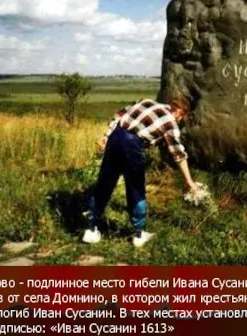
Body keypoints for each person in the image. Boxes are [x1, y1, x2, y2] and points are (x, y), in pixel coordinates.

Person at [82, 97, 198, 247]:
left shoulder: (146, 101)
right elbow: (178, 154)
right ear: (180, 112)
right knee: (136, 188)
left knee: (105, 183)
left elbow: (119, 115)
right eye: (182, 118)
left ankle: (90, 229)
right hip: (132, 144)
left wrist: (106, 136)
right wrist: (189, 181)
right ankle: (139, 234)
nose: (180, 121)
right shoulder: (171, 122)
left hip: (116, 136)